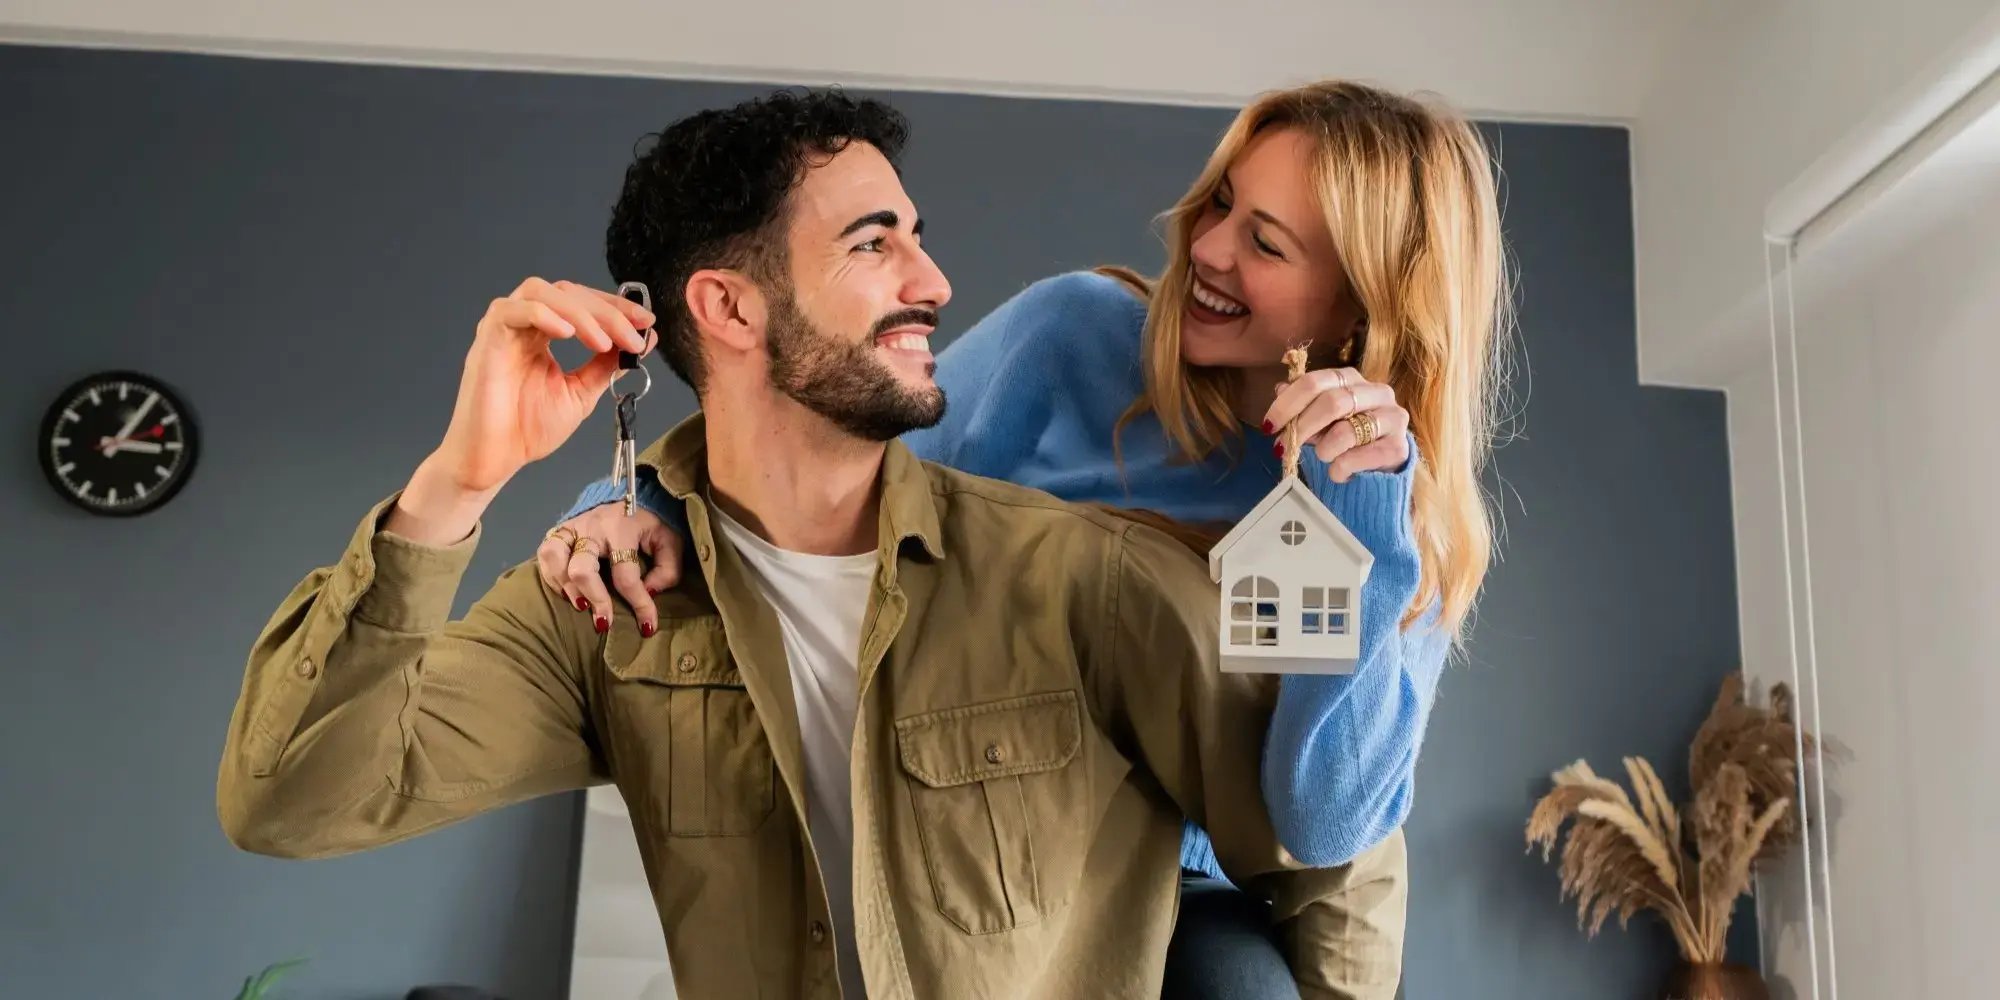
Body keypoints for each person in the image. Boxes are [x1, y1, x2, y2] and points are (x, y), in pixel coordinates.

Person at [215, 89, 1401, 1000]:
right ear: (727, 309)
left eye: (917, 238)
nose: (934, 281)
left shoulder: (1088, 579)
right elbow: (291, 800)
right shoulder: (602, 603)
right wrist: (459, 482)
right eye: (873, 244)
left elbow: (1328, 862)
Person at [538, 79, 1510, 995]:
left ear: (1359, 301)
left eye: (1263, 242)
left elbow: (1322, 817)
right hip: (962, 822)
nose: (1206, 249)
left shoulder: (1384, 513)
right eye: (1216, 203)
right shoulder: (1072, 337)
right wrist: (629, 502)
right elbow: (830, 449)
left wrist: (1369, 508)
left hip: (1181, 885)